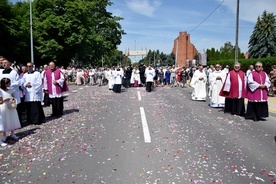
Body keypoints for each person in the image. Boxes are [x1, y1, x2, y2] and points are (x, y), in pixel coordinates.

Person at [0, 58, 22, 122]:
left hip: (13, 92)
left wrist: (9, 86)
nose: (4, 64)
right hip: (3, 93)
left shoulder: (14, 73)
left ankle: (16, 122)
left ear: (9, 64)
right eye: (2, 63)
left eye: (5, 63)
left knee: (14, 108)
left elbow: (19, 82)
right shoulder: (0, 72)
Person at [0, 78, 21, 143]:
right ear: (5, 84)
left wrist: (13, 99)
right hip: (4, 107)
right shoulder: (0, 91)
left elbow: (13, 97)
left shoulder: (11, 90)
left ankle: (12, 133)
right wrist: (4, 100)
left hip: (10, 106)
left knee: (12, 119)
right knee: (4, 120)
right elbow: (0, 101)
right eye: (9, 83)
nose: (10, 84)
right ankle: (4, 135)